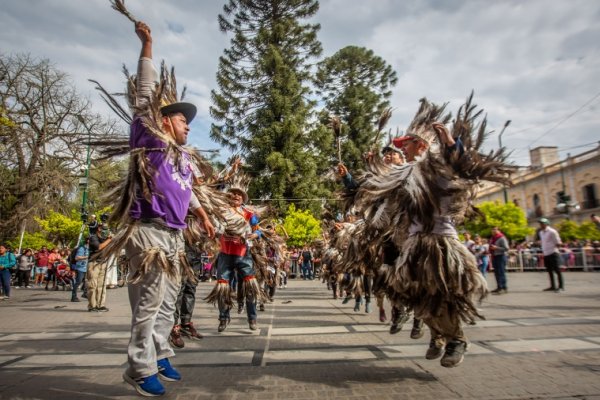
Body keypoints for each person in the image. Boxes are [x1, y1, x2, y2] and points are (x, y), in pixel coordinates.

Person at [102, 20, 216, 397]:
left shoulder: (182, 157)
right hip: (148, 230)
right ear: (165, 121)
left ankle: (161, 353)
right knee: (148, 304)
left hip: (173, 235)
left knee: (168, 301)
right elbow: (145, 95)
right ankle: (138, 367)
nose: (188, 126)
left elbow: (188, 191)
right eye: (184, 119)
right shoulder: (150, 140)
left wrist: (200, 214)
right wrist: (147, 45)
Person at [206, 187, 262, 333]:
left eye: (239, 194)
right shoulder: (221, 212)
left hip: (243, 254)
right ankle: (223, 318)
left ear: (243, 199)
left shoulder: (249, 214)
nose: (236, 196)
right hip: (225, 253)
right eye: (234, 194)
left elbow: (258, 230)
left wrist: (255, 235)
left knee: (250, 287)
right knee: (223, 288)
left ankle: (252, 319)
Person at [87, 223, 112, 312]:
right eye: (104, 229)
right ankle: (92, 306)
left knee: (102, 286)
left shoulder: (105, 239)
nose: (106, 231)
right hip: (94, 264)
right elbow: (99, 247)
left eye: (107, 229)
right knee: (92, 285)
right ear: (99, 229)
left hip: (103, 263)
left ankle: (100, 305)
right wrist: (109, 239)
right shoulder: (93, 237)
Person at [538, 218, 564, 292]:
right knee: (549, 271)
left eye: (543, 223)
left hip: (553, 253)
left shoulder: (552, 231)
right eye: (540, 223)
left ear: (547, 223)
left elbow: (558, 242)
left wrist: (555, 248)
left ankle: (561, 286)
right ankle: (552, 286)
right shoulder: (541, 232)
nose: (541, 225)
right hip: (546, 253)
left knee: (557, 270)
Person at [489, 227, 509, 294]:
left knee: (501, 272)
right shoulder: (492, 238)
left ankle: (504, 287)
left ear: (499, 230)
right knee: (496, 273)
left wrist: (496, 248)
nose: (493, 231)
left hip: (501, 256)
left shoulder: (502, 238)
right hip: (494, 256)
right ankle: (499, 287)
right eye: (492, 229)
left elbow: (506, 248)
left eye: (495, 229)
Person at [71, 238, 89, 302]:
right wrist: (86, 257)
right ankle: (73, 296)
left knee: (87, 281)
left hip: (86, 268)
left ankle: (85, 293)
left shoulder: (89, 249)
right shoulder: (82, 248)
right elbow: (76, 258)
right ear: (88, 241)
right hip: (80, 268)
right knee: (78, 282)